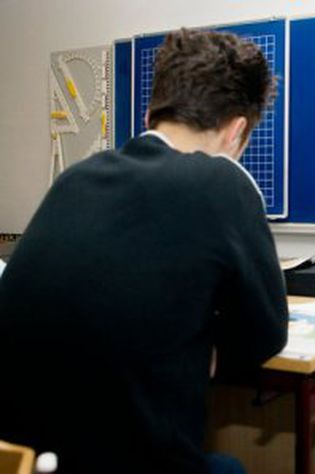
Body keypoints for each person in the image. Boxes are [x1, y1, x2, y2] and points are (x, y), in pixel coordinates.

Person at [0, 28, 288, 474]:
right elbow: (266, 336)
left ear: (150, 114)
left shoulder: (76, 178)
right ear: (237, 131)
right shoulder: (224, 184)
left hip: (22, 458)